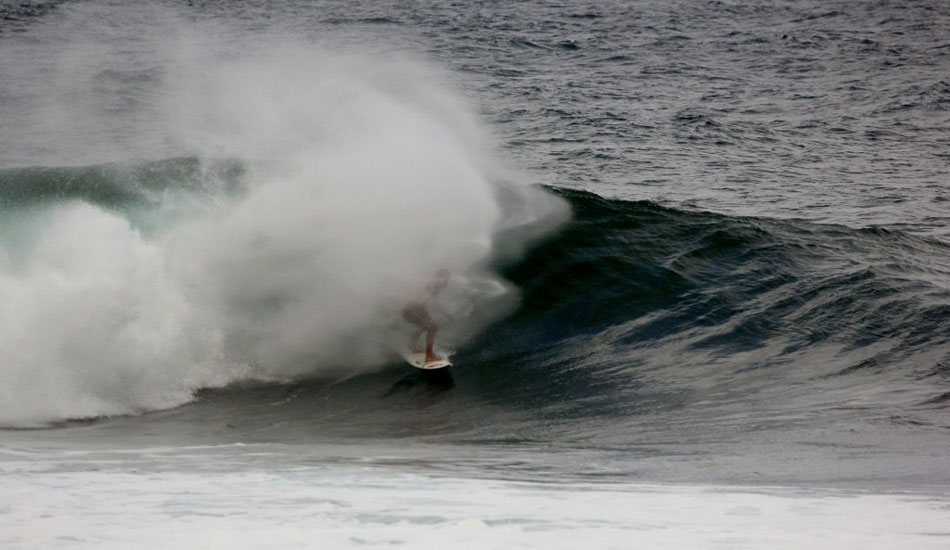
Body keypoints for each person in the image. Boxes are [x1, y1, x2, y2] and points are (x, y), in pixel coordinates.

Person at [402, 269, 452, 364]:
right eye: (447, 279)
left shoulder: (435, 287)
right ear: (441, 279)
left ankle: (412, 345)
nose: (448, 281)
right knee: (432, 327)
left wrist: (445, 313)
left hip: (410, 311)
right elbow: (421, 304)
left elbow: (433, 302)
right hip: (410, 311)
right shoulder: (432, 287)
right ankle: (429, 356)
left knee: (424, 326)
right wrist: (428, 318)